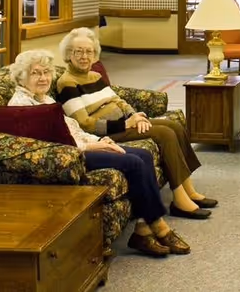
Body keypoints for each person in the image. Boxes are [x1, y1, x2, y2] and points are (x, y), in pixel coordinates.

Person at [7, 49, 190, 257]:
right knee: (134, 163)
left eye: (46, 72)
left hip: (83, 145)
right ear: (21, 77)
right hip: (70, 157)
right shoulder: (21, 106)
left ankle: (143, 229)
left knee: (144, 156)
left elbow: (73, 130)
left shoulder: (45, 100)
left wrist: (100, 140)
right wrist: (92, 147)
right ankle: (159, 227)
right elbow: (50, 145)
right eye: (36, 73)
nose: (43, 78)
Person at [54, 28, 216, 219]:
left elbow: (118, 101)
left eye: (88, 52)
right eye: (78, 51)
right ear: (68, 55)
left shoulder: (95, 76)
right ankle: (179, 199)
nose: (84, 56)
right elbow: (85, 124)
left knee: (175, 126)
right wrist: (126, 125)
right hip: (106, 133)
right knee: (164, 134)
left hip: (125, 122)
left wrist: (135, 115)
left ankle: (189, 189)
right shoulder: (67, 83)